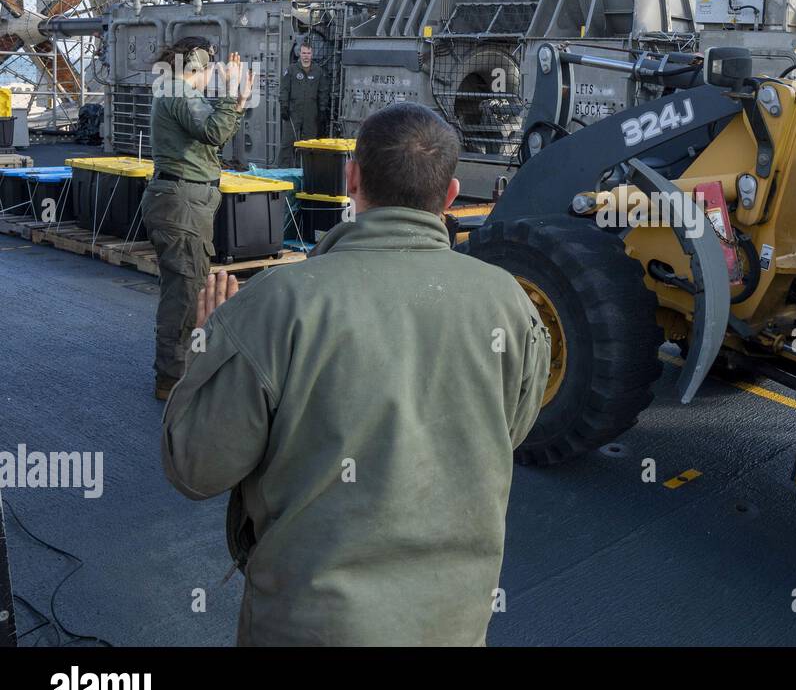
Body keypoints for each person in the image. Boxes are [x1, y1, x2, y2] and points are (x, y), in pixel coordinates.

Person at [160, 102, 552, 646]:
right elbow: (506, 431)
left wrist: (205, 351)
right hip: (453, 625)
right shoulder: (511, 304)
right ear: (451, 194)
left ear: (352, 178)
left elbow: (196, 468)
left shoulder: (275, 304)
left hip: (308, 627)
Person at [143, 37, 251, 400]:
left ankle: (174, 370)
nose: (216, 72)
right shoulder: (178, 92)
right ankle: (172, 380)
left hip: (184, 203)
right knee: (185, 295)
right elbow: (215, 131)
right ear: (195, 63)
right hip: (183, 205)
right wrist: (229, 93)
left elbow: (213, 139)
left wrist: (236, 101)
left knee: (183, 289)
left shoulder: (176, 93)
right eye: (213, 66)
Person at [278, 41, 330, 163]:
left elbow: (323, 91)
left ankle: (308, 170)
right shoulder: (291, 70)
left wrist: (322, 110)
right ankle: (282, 171)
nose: (306, 55)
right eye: (303, 53)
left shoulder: (318, 71)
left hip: (311, 113)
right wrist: (284, 107)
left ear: (312, 54)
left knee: (309, 144)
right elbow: (284, 89)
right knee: (287, 143)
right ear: (299, 54)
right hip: (293, 112)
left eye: (308, 53)